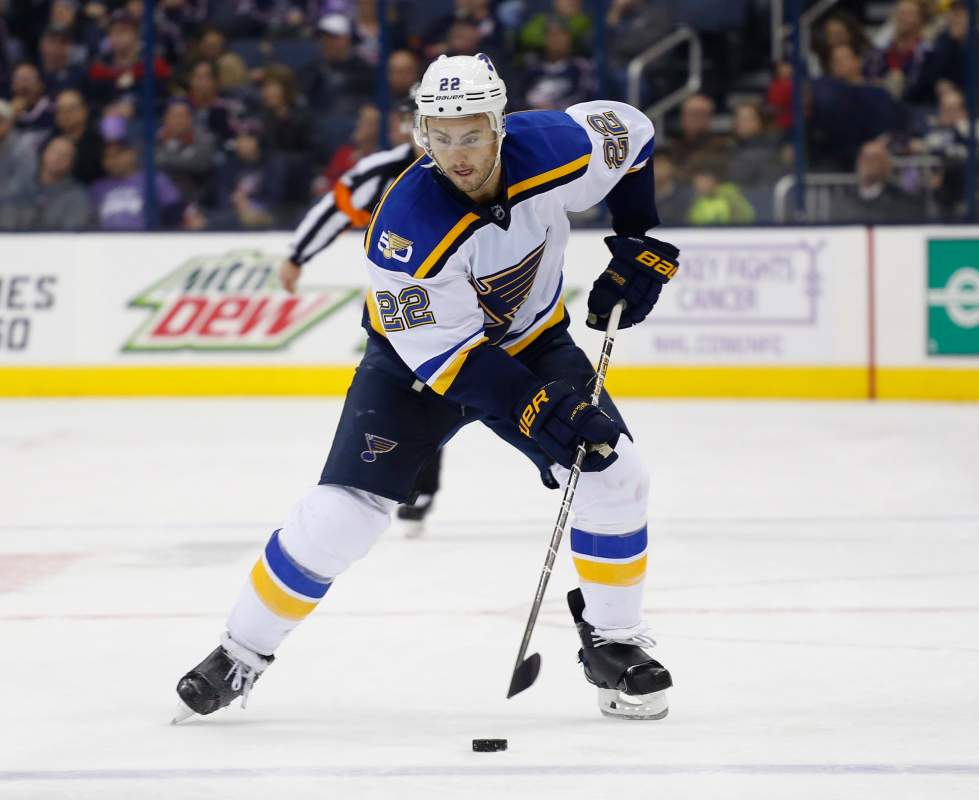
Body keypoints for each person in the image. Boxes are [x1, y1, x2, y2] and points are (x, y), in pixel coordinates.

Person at [174, 53, 676, 724]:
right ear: (421, 133)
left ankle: (613, 642)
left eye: (470, 133)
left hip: (534, 340)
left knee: (615, 470)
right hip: (414, 368)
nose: (456, 153)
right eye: (439, 135)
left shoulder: (557, 144)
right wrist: (535, 407)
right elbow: (446, 358)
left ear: (500, 125)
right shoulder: (406, 230)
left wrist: (636, 237)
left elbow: (635, 134)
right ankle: (241, 650)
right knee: (340, 516)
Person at [280, 94, 441, 530]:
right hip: (412, 305)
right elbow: (336, 208)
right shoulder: (384, 169)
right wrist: (298, 254)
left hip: (480, 295)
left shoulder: (477, 165)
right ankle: (416, 483)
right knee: (423, 386)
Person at [0, 135, 91, 230]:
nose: (58, 158)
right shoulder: (20, 186)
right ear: (44, 153)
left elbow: (72, 235)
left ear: (72, 163)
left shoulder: (77, 196)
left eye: (65, 155)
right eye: (54, 151)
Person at [830, 138, 921, 222]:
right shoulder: (845, 201)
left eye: (875, 159)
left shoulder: (902, 202)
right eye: (866, 158)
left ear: (886, 165)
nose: (870, 165)